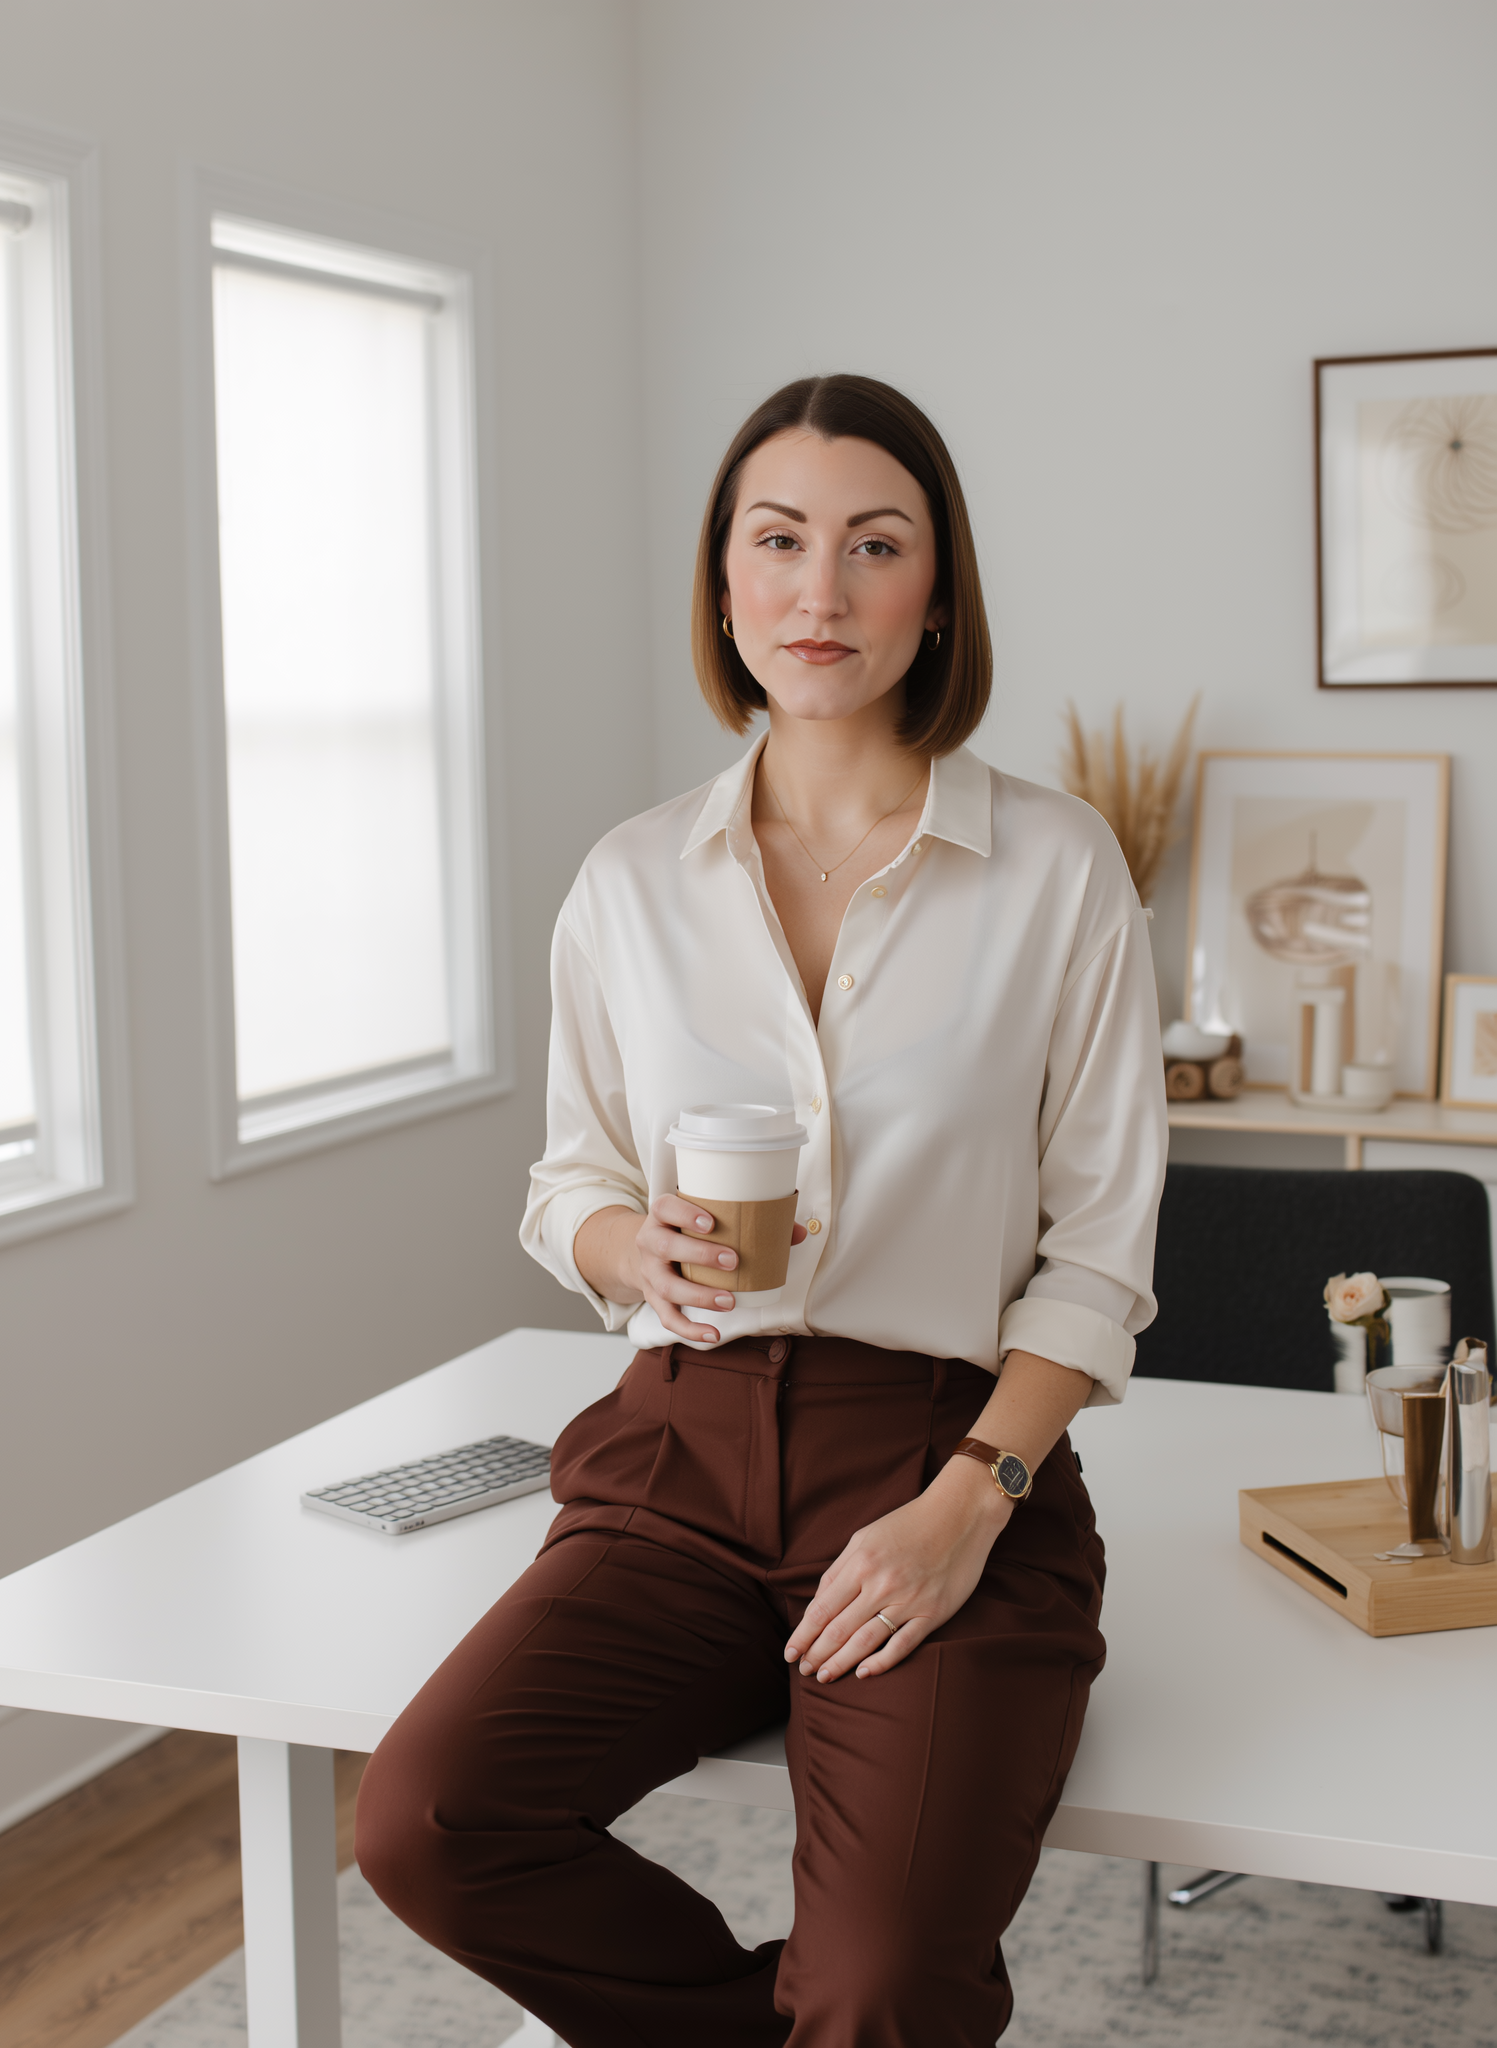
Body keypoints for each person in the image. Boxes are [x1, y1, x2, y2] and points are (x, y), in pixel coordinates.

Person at [356, 374, 1167, 2047]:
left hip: (943, 1452)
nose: (822, 589)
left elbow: (1098, 1256)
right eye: (778, 541)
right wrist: (617, 1245)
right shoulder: (631, 880)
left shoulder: (1059, 868)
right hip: (674, 1458)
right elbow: (566, 1178)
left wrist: (971, 1504)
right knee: (427, 1825)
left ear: (936, 593)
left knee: (877, 1977)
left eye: (876, 545)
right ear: (723, 583)